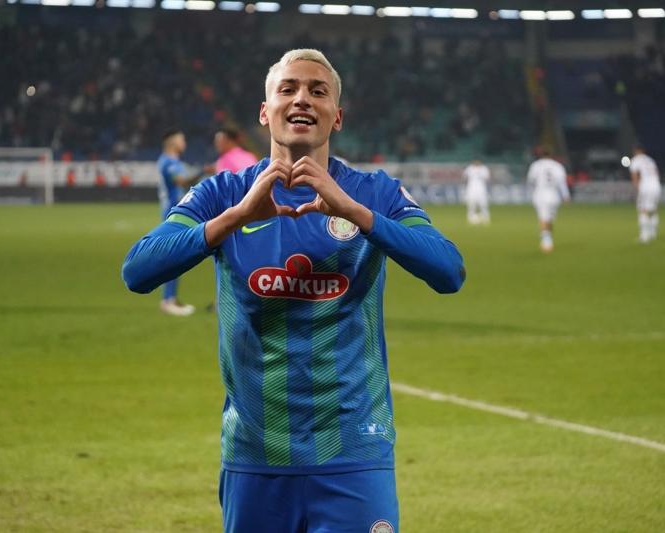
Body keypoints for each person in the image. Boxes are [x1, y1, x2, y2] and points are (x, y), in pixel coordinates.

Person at [122, 49, 465, 533]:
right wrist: (236, 217)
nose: (302, 98)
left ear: (336, 117)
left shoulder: (375, 193)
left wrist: (356, 212)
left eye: (317, 91)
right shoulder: (223, 193)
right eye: (288, 89)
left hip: (354, 452)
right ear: (266, 112)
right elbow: (138, 270)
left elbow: (448, 270)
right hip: (256, 456)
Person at [156, 129, 202, 316]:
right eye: (182, 140)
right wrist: (202, 172)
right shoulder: (169, 162)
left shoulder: (172, 161)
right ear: (173, 142)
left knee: (176, 256)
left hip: (177, 213)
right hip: (172, 213)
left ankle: (171, 298)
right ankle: (168, 300)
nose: (185, 143)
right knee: (172, 257)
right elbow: (182, 182)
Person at [526, 148, 570, 253]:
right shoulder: (558, 166)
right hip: (554, 195)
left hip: (540, 194)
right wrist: (566, 195)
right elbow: (562, 182)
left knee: (543, 218)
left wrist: (530, 193)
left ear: (540, 155)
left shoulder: (536, 165)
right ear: (552, 155)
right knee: (549, 219)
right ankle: (547, 240)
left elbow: (530, 181)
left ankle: (546, 239)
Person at [629, 146, 661, 243]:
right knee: (653, 210)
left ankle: (644, 236)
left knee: (642, 210)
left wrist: (638, 188)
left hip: (646, 186)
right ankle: (653, 233)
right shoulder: (650, 160)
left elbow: (634, 175)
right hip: (656, 185)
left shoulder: (636, 160)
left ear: (636, 151)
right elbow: (657, 173)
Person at [463, 159, 491, 225]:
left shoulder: (484, 169)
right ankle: (471, 218)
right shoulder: (469, 168)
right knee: (471, 204)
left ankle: (485, 218)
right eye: (475, 161)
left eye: (478, 161)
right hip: (471, 188)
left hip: (481, 189)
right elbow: (465, 177)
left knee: (483, 204)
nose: (476, 162)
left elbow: (487, 178)